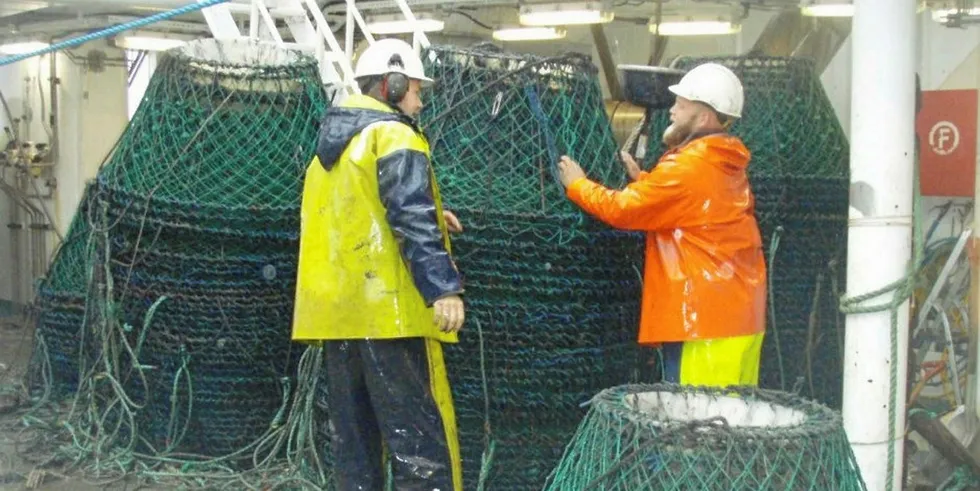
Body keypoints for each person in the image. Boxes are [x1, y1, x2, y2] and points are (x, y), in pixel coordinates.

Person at [292, 38, 465, 491]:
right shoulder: (394, 136)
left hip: (336, 318)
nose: (419, 101)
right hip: (389, 318)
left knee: (355, 445)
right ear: (391, 84)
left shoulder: (324, 154)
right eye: (414, 89)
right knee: (418, 446)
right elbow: (407, 214)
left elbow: (358, 210)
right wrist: (442, 287)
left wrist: (434, 209)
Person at [557, 62, 767, 388]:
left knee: (698, 424)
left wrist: (578, 185)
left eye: (681, 105)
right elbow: (692, 207)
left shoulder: (688, 167)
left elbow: (624, 210)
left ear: (704, 116)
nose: (672, 111)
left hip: (702, 323)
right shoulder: (723, 161)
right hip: (739, 319)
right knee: (734, 424)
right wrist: (644, 180)